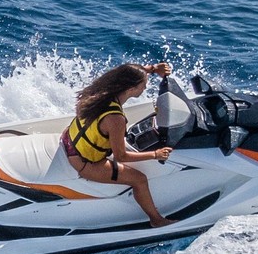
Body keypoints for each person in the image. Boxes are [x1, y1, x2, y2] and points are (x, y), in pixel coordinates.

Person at [62, 61, 176, 226]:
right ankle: (157, 220)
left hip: (69, 140)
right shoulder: (115, 119)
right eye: (143, 85)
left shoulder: (101, 90)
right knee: (139, 179)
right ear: (131, 89)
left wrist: (151, 69)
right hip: (84, 163)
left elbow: (123, 72)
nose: (145, 87)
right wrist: (155, 154)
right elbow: (121, 156)